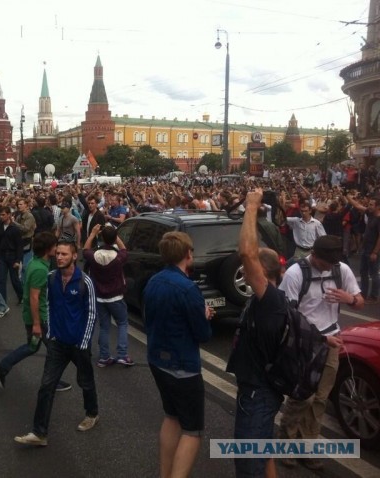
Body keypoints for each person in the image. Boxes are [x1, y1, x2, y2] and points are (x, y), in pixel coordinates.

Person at [278, 234, 363, 470]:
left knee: (321, 399)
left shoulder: (340, 269)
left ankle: (308, 448)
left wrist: (350, 298)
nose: (329, 267)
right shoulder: (296, 273)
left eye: (333, 262)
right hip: (305, 343)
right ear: (314, 254)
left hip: (332, 340)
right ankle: (287, 445)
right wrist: (319, 338)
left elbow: (360, 302)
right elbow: (288, 316)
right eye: (326, 262)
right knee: (302, 397)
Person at [143, 231, 214, 478]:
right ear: (187, 254)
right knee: (192, 431)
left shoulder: (154, 281)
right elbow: (203, 334)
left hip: (156, 359)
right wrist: (204, 315)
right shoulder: (188, 289)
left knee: (171, 417)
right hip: (182, 364)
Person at [226, 189, 286, 478]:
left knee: (249, 463)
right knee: (265, 452)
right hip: (256, 389)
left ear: (262, 273)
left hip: (259, 393)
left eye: (251, 269)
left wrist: (251, 206)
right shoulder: (268, 299)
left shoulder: (270, 299)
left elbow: (247, 252)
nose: (245, 270)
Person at [14, 240, 98, 446]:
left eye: (64, 254)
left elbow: (92, 313)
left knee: (85, 381)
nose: (59, 257)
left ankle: (92, 413)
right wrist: (50, 332)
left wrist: (84, 341)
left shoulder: (84, 282)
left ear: (74, 256)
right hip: (58, 343)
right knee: (46, 386)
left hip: (79, 344)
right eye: (58, 253)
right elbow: (48, 305)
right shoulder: (51, 278)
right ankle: (39, 433)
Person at [0, 232, 71, 391]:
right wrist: (36, 324)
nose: (57, 250)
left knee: (33, 347)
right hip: (40, 318)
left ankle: (3, 366)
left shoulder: (37, 263)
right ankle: (50, 381)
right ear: (48, 249)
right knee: (55, 350)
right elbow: (34, 297)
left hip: (38, 315)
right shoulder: (39, 270)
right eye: (55, 247)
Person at [83, 224, 134, 367]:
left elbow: (85, 250)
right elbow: (124, 248)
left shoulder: (94, 255)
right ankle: (122, 354)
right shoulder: (118, 257)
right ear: (114, 239)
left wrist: (93, 234)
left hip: (100, 296)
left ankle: (104, 356)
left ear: (102, 238)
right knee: (122, 323)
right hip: (116, 296)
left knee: (104, 327)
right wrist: (115, 235)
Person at [346, 194, 379, 303]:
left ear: (378, 206)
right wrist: (349, 197)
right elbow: (358, 206)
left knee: (373, 274)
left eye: (371, 205)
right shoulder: (370, 214)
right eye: (369, 204)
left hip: (372, 250)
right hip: (365, 248)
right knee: (363, 271)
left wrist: (375, 252)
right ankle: (364, 293)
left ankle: (374, 296)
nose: (369, 206)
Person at [0, 206, 23, 304]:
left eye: (3, 215)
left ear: (9, 215)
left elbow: (19, 246)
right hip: (2, 256)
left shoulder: (15, 229)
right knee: (1, 280)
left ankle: (21, 296)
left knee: (14, 280)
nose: (1, 216)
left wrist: (18, 260)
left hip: (12, 256)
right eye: (0, 214)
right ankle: (3, 302)